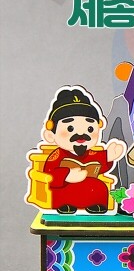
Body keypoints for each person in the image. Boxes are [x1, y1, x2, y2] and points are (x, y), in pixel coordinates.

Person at [42, 86, 125, 214]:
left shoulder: (91, 153)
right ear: (50, 135)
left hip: (88, 186)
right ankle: (65, 205)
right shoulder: (57, 154)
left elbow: (100, 167)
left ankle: (95, 204)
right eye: (70, 128)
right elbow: (49, 172)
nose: (81, 134)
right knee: (64, 191)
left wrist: (108, 157)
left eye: (90, 129)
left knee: (99, 186)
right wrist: (66, 175)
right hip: (66, 186)